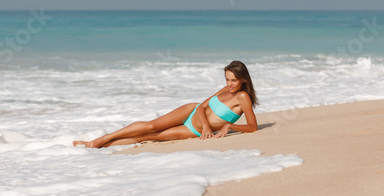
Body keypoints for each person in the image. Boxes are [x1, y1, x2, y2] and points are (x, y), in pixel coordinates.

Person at [73, 61, 258, 148]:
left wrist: (228, 126)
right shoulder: (225, 89)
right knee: (150, 125)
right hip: (190, 112)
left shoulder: (242, 97)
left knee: (149, 136)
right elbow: (202, 107)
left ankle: (98, 147)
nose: (229, 84)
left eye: (233, 80)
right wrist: (207, 126)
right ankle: (103, 138)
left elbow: (253, 127)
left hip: (193, 130)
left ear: (243, 79)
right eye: (227, 79)